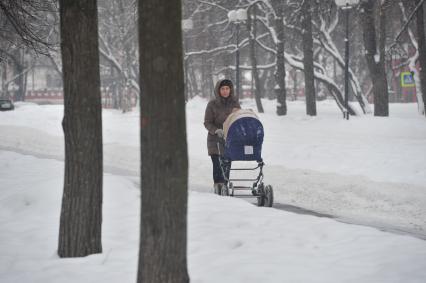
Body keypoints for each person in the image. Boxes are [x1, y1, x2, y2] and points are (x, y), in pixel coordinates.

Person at [204, 79, 241, 193]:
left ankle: (225, 186)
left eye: (227, 89)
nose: (225, 91)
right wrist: (216, 130)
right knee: (217, 164)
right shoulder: (212, 104)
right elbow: (207, 122)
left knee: (227, 164)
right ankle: (218, 186)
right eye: (222, 89)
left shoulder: (235, 103)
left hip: (229, 140)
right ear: (218, 90)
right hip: (215, 140)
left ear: (230, 90)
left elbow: (238, 118)